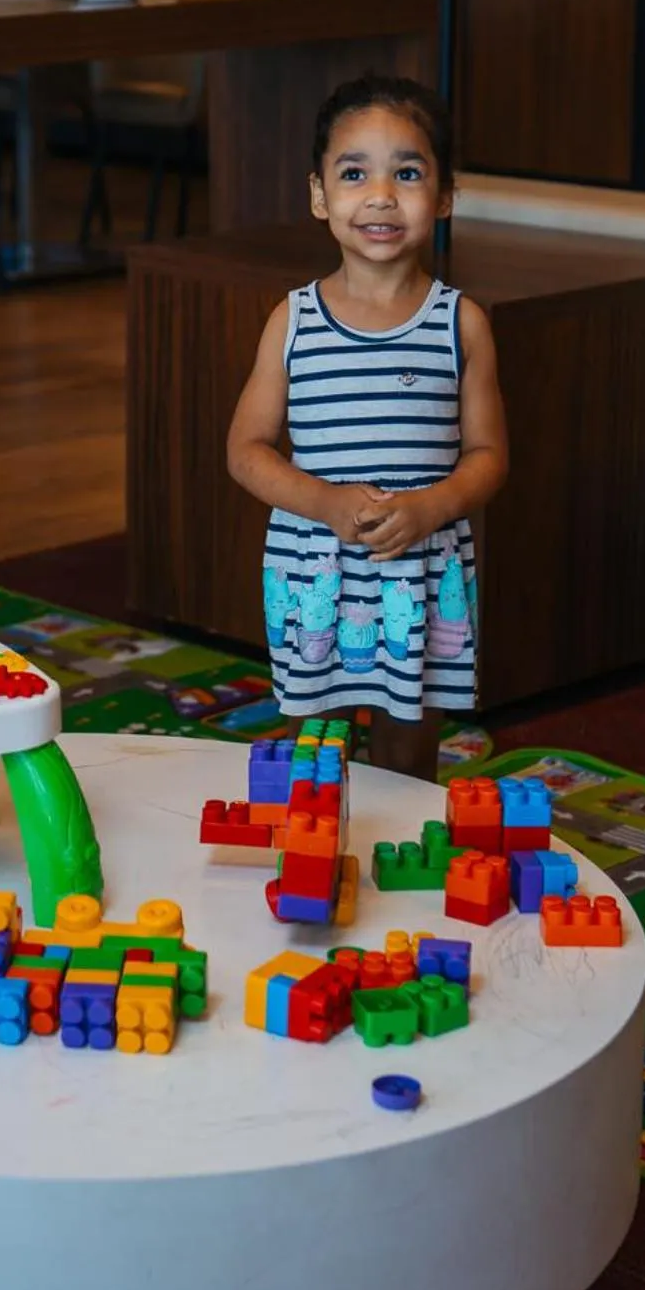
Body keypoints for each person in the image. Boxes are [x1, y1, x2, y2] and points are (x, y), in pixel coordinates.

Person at [227, 75, 508, 779]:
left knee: (408, 736)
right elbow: (245, 450)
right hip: (318, 566)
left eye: (406, 173)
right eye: (353, 173)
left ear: (443, 197)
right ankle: (308, 847)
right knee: (309, 735)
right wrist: (325, 502)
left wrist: (429, 507)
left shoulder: (459, 323)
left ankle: (400, 850)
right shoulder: (292, 321)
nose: (380, 195)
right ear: (319, 195)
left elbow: (488, 455)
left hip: (419, 568)